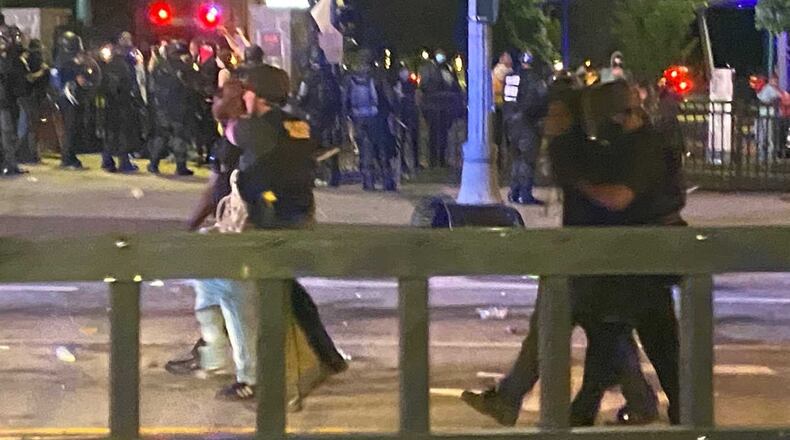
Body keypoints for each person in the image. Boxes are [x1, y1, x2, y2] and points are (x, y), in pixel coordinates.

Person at [462, 80, 685, 427]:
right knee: (613, 333)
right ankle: (605, 407)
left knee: (639, 340)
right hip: (620, 259)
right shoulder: (616, 145)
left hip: (634, 259)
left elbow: (619, 198)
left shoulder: (637, 146)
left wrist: (579, 181)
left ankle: (620, 409)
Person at [345, 49, 396, 191]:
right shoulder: (377, 75)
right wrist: (393, 110)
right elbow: (389, 96)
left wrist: (347, 115)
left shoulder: (351, 77)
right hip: (376, 116)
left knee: (364, 147)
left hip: (358, 117)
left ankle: (368, 181)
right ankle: (387, 181)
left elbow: (346, 98)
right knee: (381, 147)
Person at [502, 50, 548, 205]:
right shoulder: (537, 80)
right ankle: (525, 194)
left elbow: (506, 101)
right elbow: (542, 101)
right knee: (528, 160)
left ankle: (514, 192)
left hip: (511, 124)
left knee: (516, 159)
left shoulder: (511, 78)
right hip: (529, 124)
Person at [147, 40, 198, 176]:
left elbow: (152, 87)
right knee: (178, 136)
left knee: (162, 136)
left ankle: (153, 163)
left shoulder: (159, 67)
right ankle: (180, 166)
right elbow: (192, 86)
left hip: (162, 108)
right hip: (178, 108)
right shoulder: (184, 67)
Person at [297, 47, 343, 186]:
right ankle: (334, 177)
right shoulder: (331, 77)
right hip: (330, 117)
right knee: (332, 147)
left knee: (312, 148)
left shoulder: (308, 77)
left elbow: (302, 97)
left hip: (312, 117)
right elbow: (339, 98)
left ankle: (313, 176)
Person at [97, 41, 139, 173]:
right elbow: (127, 86)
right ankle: (124, 162)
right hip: (121, 105)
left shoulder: (107, 66)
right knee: (122, 135)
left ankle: (107, 161)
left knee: (110, 133)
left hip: (109, 105)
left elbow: (102, 85)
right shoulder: (123, 66)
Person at [419, 49, 461, 168]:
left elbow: (454, 85)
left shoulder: (446, 68)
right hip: (434, 105)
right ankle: (434, 159)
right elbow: (425, 86)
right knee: (434, 134)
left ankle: (440, 159)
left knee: (442, 134)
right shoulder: (429, 69)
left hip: (443, 106)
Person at [16, 39, 48, 164]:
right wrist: (42, 71)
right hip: (29, 98)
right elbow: (29, 78)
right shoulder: (26, 62)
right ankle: (28, 154)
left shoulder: (28, 61)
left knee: (30, 126)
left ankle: (30, 154)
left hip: (32, 97)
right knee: (29, 127)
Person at [0, 26, 25, 175]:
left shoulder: (12, 57)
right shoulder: (7, 60)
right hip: (4, 102)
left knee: (10, 133)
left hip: (9, 101)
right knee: (7, 134)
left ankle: (10, 163)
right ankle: (9, 164)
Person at [394, 65, 421, 174]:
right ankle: (407, 162)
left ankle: (412, 162)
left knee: (410, 138)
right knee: (405, 138)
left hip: (408, 113)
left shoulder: (409, 83)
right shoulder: (405, 83)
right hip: (406, 113)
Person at [493, 51, 514, 173]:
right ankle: (505, 161)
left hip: (498, 104)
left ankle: (500, 160)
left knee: (499, 135)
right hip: (503, 104)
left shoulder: (496, 71)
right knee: (505, 134)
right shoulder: (506, 73)